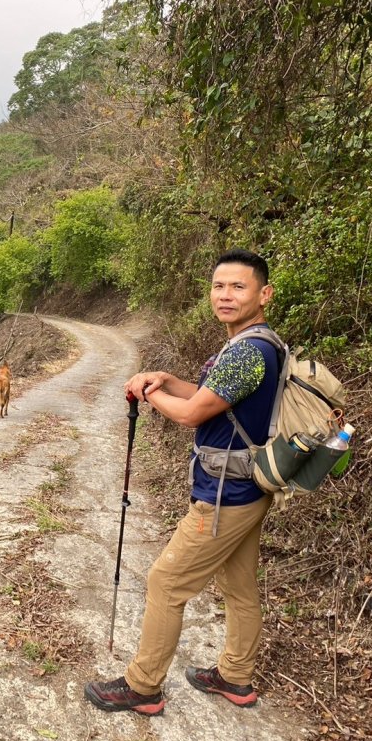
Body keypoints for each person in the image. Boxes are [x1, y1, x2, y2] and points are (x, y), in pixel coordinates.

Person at [85, 248, 280, 716]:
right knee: (239, 587)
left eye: (238, 286)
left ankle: (143, 686)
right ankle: (235, 677)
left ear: (263, 294)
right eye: (219, 286)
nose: (226, 295)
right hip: (247, 489)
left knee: (166, 582)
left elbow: (195, 414)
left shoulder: (248, 352)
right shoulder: (254, 345)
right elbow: (211, 398)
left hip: (224, 497)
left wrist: (151, 395)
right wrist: (167, 380)